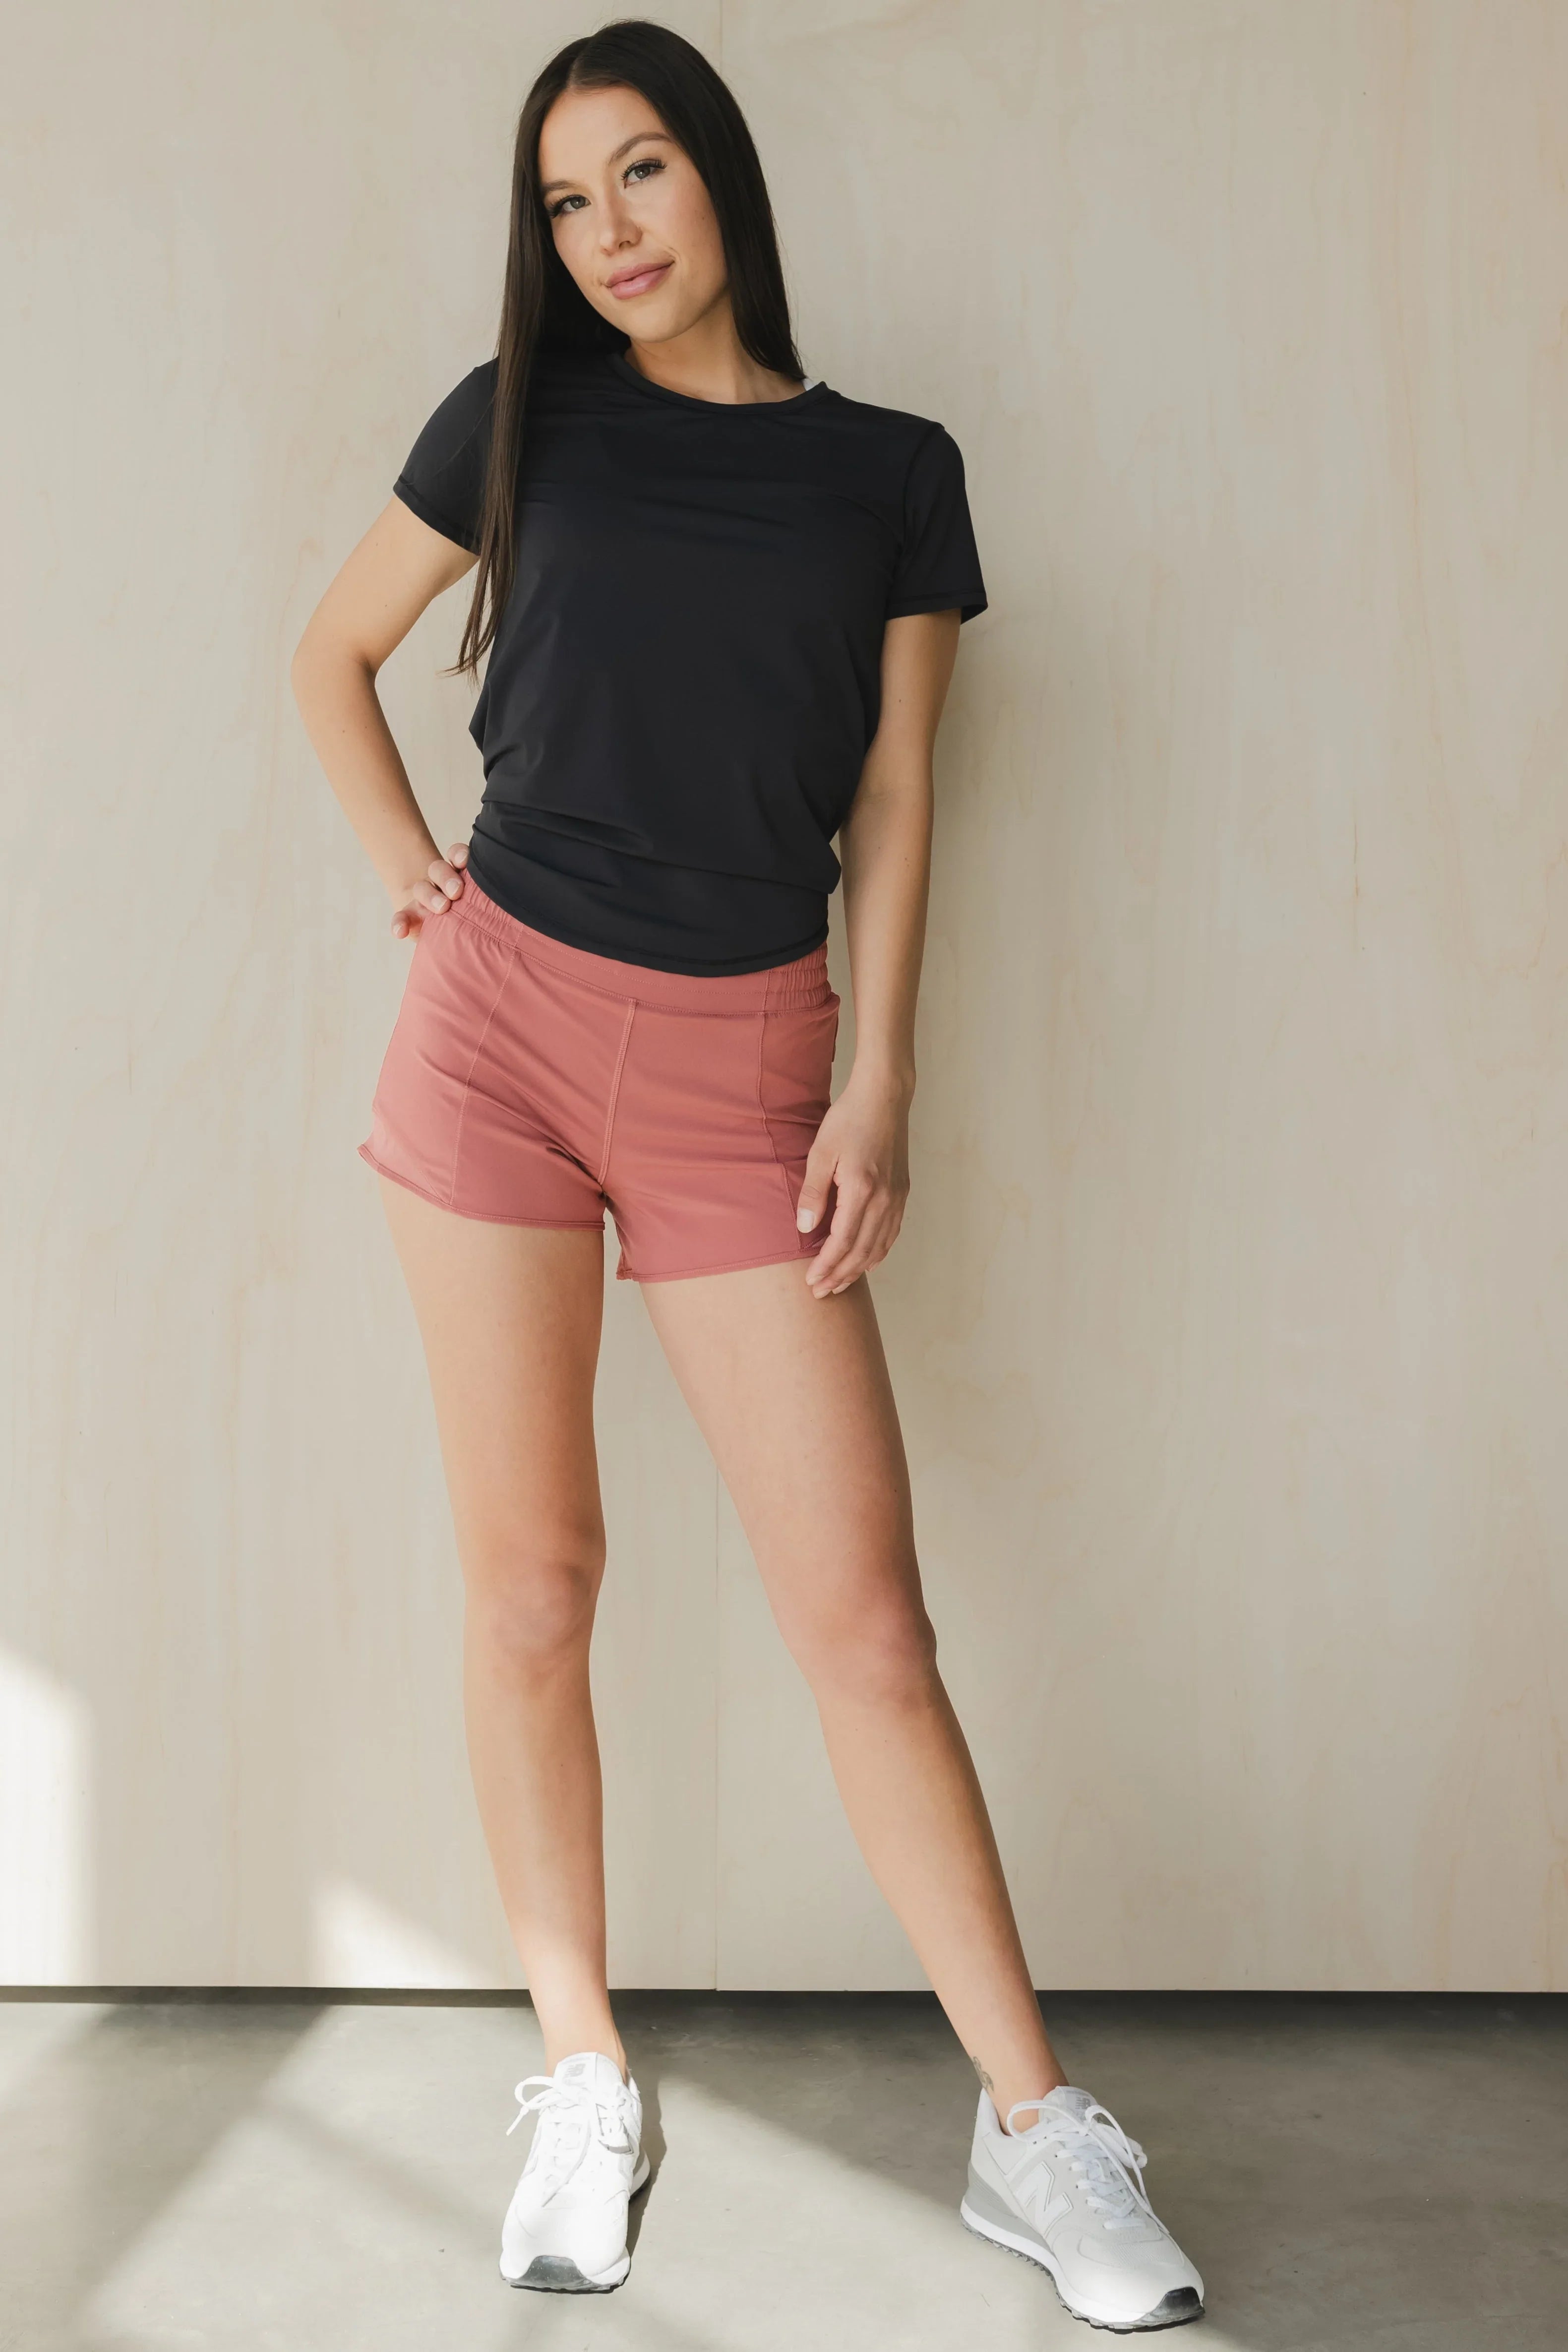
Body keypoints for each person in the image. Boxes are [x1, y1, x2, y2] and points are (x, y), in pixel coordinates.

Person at [291, 18, 1203, 2334]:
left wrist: (872, 1078)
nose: (605, 236)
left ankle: (1028, 2128)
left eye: (641, 177)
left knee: (865, 1628)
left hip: (743, 1059)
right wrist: (414, 875)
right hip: (492, 1032)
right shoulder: (516, 420)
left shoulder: (889, 471)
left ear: (722, 182)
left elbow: (895, 801)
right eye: (564, 204)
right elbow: (333, 657)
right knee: (534, 1586)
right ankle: (576, 2070)